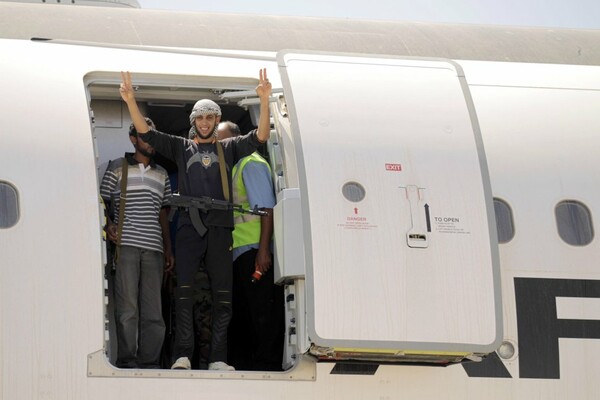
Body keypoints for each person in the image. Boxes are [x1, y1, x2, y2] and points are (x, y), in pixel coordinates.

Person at [119, 69, 272, 371]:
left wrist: (264, 101)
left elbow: (261, 135)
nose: (204, 123)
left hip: (219, 229)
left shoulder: (229, 148)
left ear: (216, 121)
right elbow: (147, 134)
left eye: (210, 118)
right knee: (184, 294)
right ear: (194, 122)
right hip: (189, 228)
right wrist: (130, 101)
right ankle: (182, 355)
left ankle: (218, 358)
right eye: (199, 118)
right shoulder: (181, 146)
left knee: (223, 298)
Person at [100, 118, 174, 369]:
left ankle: (150, 362)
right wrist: (109, 225)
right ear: (133, 139)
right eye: (144, 136)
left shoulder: (162, 174)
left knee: (154, 310)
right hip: (126, 245)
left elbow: (163, 214)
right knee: (128, 307)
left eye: (152, 136)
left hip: (154, 247)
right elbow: (103, 203)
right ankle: (128, 361)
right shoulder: (117, 167)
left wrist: (168, 248)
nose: (150, 141)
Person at [218, 121, 285, 371]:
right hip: (242, 251)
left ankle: (265, 367)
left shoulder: (251, 163)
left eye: (224, 141)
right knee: (246, 315)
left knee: (261, 315)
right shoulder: (236, 167)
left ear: (237, 139)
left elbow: (266, 209)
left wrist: (264, 251)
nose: (221, 146)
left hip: (254, 251)